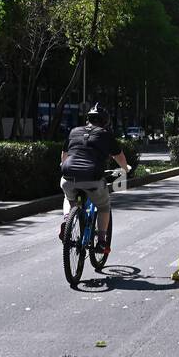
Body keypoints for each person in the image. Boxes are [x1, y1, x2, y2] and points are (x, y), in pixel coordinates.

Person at [60, 103, 131, 256]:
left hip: (68, 175)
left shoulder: (74, 131)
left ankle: (67, 222)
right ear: (105, 122)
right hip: (92, 178)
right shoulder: (105, 134)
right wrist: (125, 169)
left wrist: (64, 165)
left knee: (68, 197)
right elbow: (119, 156)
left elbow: (64, 155)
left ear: (88, 119)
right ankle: (102, 241)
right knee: (104, 206)